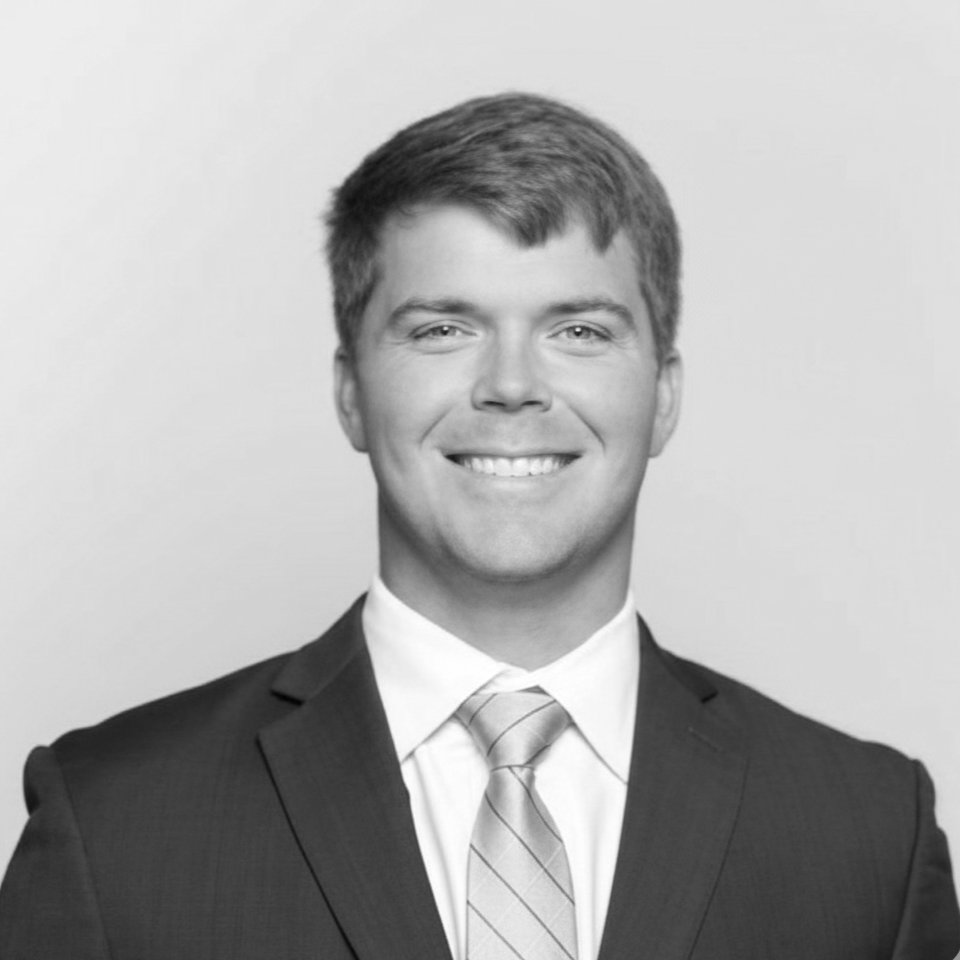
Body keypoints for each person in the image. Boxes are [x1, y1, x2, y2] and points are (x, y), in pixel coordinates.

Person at [0, 92, 957, 959]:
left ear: (663, 397)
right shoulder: (115, 821)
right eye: (442, 329)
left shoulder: (868, 835)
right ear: (349, 393)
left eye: (578, 331)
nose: (510, 387)